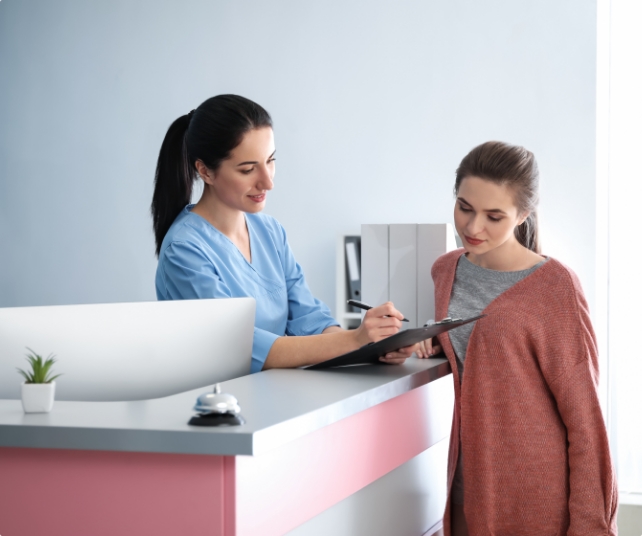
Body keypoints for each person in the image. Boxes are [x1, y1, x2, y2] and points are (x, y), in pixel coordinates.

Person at [420, 141, 618, 535]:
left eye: (494, 216)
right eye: (465, 208)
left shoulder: (555, 287)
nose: (473, 228)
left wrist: (590, 526)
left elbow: (585, 420)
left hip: (534, 498)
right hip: (463, 489)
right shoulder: (444, 270)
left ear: (523, 214)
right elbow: (485, 358)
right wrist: (426, 341)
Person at [151, 94, 413, 373]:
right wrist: (355, 339)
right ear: (205, 171)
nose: (268, 182)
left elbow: (309, 320)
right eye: (248, 169)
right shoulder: (184, 250)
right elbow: (243, 348)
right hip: (217, 408)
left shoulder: (270, 232)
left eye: (270, 160)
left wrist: (374, 346)